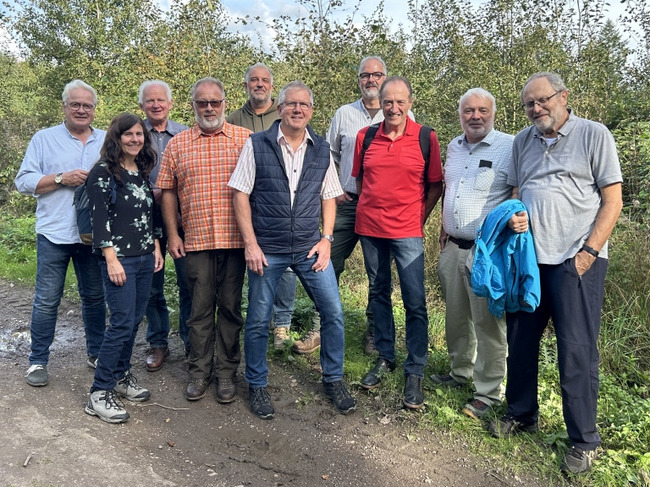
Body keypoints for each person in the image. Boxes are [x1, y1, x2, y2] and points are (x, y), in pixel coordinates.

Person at [489, 72, 623, 475]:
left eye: (542, 100)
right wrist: (514, 217)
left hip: (575, 263)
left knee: (576, 351)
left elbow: (613, 200)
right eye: (529, 104)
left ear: (563, 97)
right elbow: (516, 192)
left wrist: (587, 254)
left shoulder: (594, 135)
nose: (536, 109)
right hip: (529, 261)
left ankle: (584, 440)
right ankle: (522, 413)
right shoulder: (522, 141)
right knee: (522, 342)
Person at [229, 81, 356, 420]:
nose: (298, 109)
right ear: (280, 108)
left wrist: (326, 239)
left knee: (333, 312)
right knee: (257, 321)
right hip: (267, 250)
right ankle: (256, 384)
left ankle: (333, 378)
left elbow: (330, 196)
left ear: (311, 111)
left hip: (307, 247)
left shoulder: (321, 149)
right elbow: (240, 193)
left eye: (304, 105)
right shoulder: (257, 144)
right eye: (291, 104)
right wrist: (251, 244)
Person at [157, 77, 251, 404]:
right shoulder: (178, 144)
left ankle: (226, 373)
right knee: (197, 311)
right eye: (202, 102)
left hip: (236, 242)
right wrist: (172, 234)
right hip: (195, 241)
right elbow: (166, 191)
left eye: (215, 102)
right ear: (193, 105)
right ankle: (198, 372)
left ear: (225, 103)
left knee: (229, 309)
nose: (209, 108)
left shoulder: (247, 140)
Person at [355, 76, 443, 409]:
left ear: (410, 102)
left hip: (407, 232)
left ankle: (415, 368)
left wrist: (417, 218)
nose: (393, 108)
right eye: (387, 102)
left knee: (415, 299)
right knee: (378, 292)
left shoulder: (425, 137)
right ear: (380, 102)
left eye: (400, 102)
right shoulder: (366, 136)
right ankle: (385, 355)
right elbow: (363, 180)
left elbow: (435, 184)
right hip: (371, 229)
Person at [15, 79, 107, 387]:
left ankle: (96, 353)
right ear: (65, 107)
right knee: (46, 299)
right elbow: (24, 181)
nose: (82, 110)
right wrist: (60, 178)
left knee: (95, 298)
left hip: (93, 236)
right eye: (75, 104)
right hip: (54, 233)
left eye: (87, 105)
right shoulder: (44, 139)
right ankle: (37, 360)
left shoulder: (107, 141)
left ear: (95, 110)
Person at [431, 88, 513, 420]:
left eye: (482, 110)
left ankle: (489, 392)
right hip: (452, 245)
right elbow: (451, 190)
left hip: (486, 252)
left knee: (488, 323)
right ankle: (460, 371)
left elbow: (517, 196)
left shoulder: (509, 146)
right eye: (468, 110)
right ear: (460, 114)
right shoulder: (454, 146)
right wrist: (442, 227)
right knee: (457, 317)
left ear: (493, 113)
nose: (475, 116)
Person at [84, 113, 164, 423]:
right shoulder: (103, 173)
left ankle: (120, 375)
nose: (134, 139)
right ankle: (99, 392)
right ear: (116, 138)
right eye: (128, 134)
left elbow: (149, 215)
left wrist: (156, 245)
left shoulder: (141, 172)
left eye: (139, 134)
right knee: (119, 323)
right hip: (120, 260)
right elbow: (99, 219)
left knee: (133, 321)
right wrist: (111, 257)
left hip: (145, 258)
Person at [226, 63, 297, 351]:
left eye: (264, 80)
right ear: (246, 85)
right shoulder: (232, 119)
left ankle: (282, 324)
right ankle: (258, 319)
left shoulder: (284, 114)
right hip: (245, 202)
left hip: (279, 206)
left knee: (287, 270)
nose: (259, 84)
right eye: (253, 80)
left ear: (271, 85)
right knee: (253, 263)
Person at [324, 55, 389, 356]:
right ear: (359, 80)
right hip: (346, 203)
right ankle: (321, 324)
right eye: (365, 75)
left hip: (380, 208)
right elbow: (328, 156)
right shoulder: (344, 114)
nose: (371, 80)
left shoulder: (402, 114)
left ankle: (374, 333)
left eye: (377, 75)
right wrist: (335, 190)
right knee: (326, 265)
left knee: (377, 274)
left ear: (385, 78)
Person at [138, 80, 191, 370]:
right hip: (142, 223)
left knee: (189, 284)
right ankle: (158, 343)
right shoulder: (133, 135)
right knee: (151, 286)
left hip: (183, 222)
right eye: (150, 101)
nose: (156, 105)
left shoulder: (185, 134)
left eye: (161, 100)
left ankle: (189, 342)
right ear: (142, 105)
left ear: (171, 103)